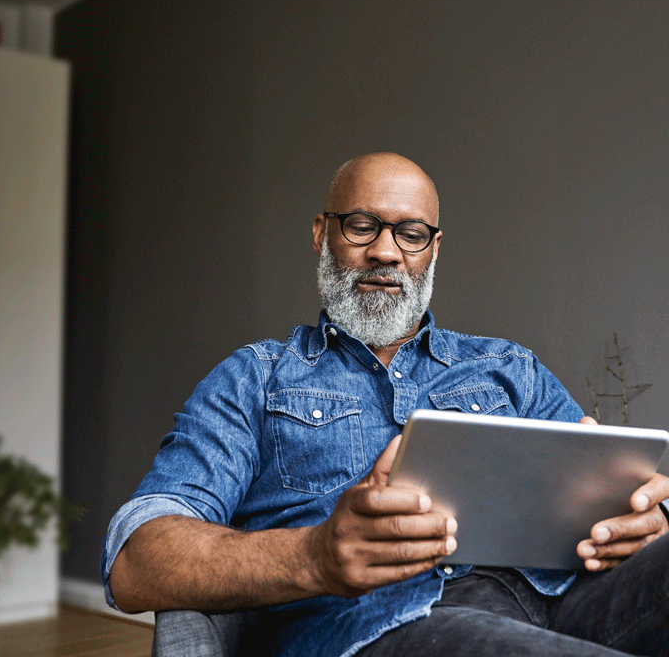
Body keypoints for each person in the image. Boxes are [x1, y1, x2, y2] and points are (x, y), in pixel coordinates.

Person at [103, 152, 669, 656]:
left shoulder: (508, 367)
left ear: (434, 247)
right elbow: (135, 559)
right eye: (362, 226)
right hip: (382, 625)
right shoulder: (255, 378)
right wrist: (315, 556)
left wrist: (644, 521)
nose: (385, 252)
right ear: (323, 233)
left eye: (411, 233)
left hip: (568, 603)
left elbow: (612, 500)